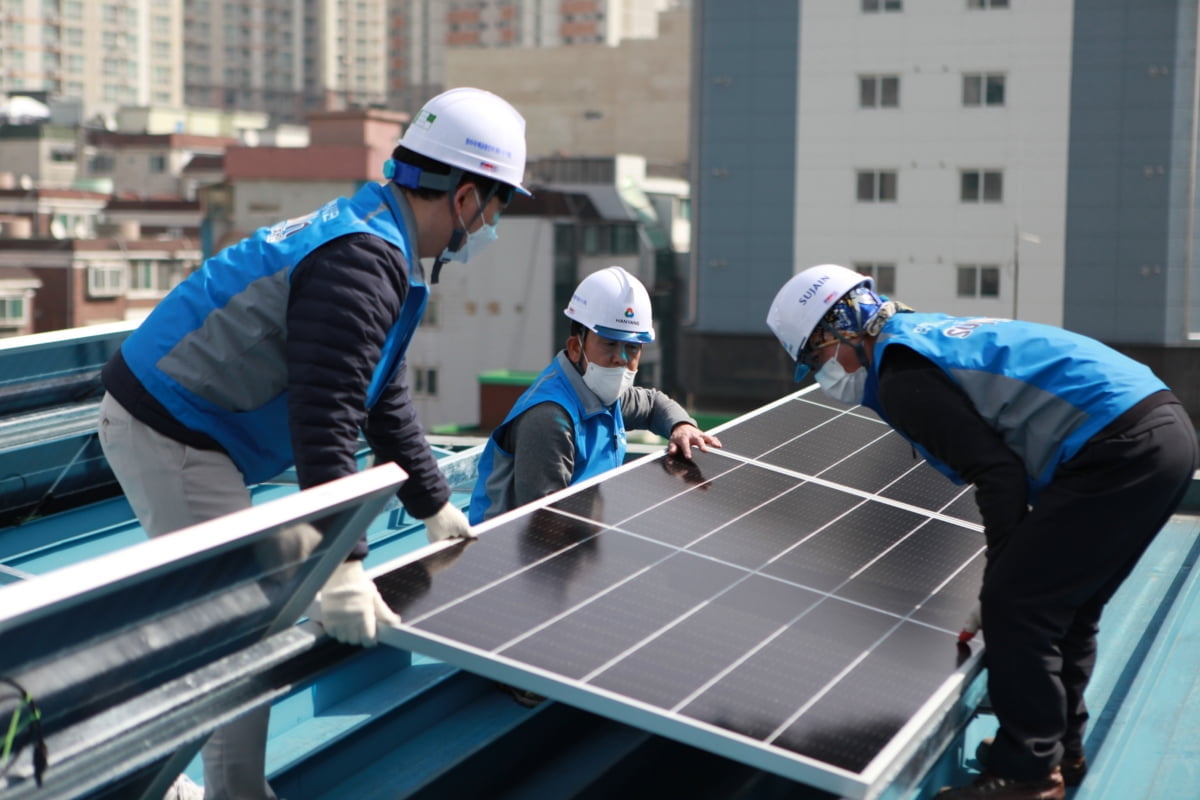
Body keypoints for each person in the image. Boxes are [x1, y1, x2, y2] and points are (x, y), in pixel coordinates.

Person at [97, 86, 529, 800]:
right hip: (169, 427)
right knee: (248, 612)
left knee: (248, 600)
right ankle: (194, 784)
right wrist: (342, 568)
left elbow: (377, 391)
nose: (494, 222)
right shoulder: (364, 260)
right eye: (499, 203)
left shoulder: (380, 240)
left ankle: (213, 783)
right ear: (464, 197)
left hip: (203, 428)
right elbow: (328, 415)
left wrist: (430, 502)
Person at [766, 264, 1197, 800]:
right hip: (1158, 432)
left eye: (816, 357)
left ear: (846, 328)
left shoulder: (902, 375)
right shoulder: (921, 340)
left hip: (1119, 444)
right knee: (1067, 606)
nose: (823, 374)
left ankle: (1027, 775)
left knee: (1018, 603)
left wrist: (1001, 576)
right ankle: (1059, 749)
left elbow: (997, 473)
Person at [469, 266, 721, 525]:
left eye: (632, 348)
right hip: (511, 555)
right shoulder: (550, 419)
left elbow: (653, 404)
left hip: (580, 534)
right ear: (576, 347)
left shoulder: (605, 394)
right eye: (609, 344)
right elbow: (544, 524)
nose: (621, 360)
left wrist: (681, 425)